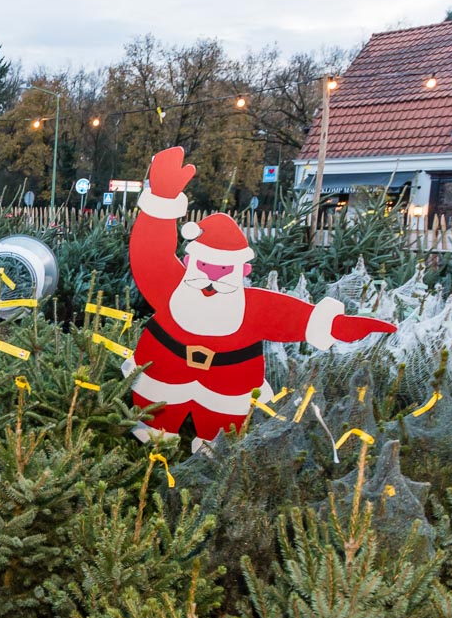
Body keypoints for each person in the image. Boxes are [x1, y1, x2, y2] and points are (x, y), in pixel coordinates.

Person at [125, 146, 394, 449]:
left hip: (226, 388)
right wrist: (161, 200)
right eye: (206, 266)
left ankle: (212, 453)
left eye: (223, 269)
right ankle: (154, 442)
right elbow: (150, 254)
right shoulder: (172, 287)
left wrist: (334, 325)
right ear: (190, 263)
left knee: (217, 444)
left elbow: (290, 317)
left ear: (242, 270)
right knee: (153, 430)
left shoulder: (253, 307)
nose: (212, 276)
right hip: (163, 375)